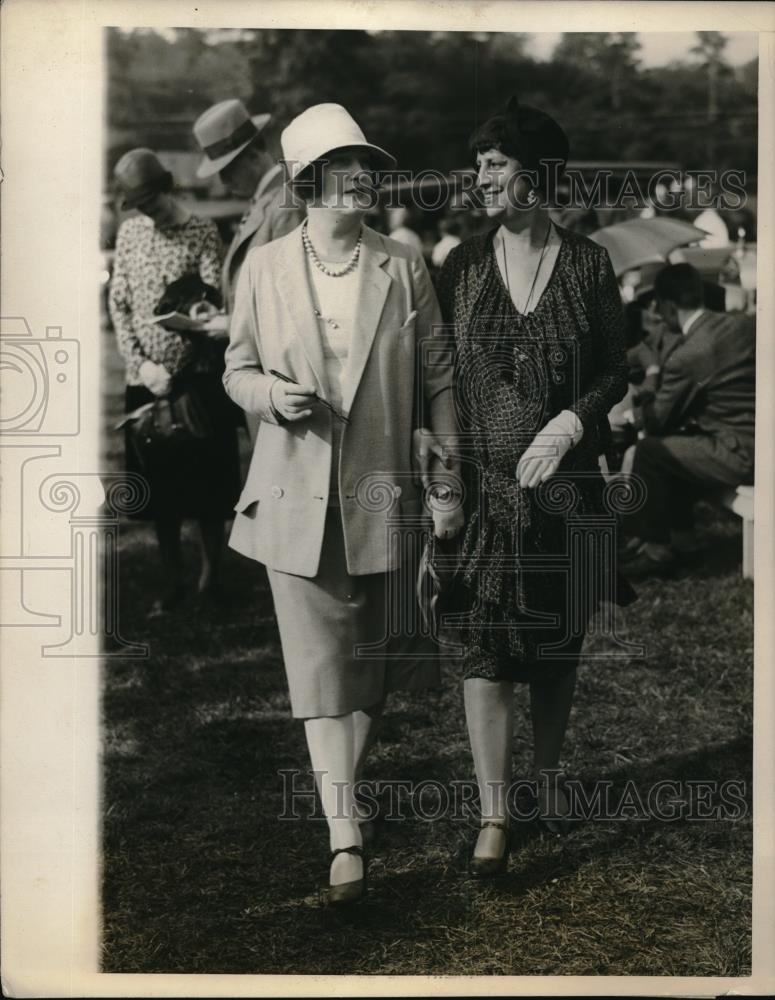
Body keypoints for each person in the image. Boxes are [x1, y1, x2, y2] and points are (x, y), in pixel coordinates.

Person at [223, 103, 461, 904]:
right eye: (345, 162)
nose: (363, 173)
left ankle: (341, 797)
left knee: (371, 672)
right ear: (308, 181)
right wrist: (268, 397)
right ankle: (344, 835)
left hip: (382, 492)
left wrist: (447, 478)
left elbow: (437, 376)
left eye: (366, 160)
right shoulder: (262, 268)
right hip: (292, 494)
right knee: (321, 672)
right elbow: (237, 367)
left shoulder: (402, 262)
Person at [430, 96, 636, 875]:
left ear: (537, 174)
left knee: (555, 649)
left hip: (566, 493)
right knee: (484, 655)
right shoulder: (462, 264)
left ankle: (545, 785)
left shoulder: (587, 263)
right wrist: (447, 476)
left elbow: (615, 365)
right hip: (488, 496)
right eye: (477, 162)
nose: (479, 176)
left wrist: (572, 424)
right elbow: (442, 376)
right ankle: (491, 816)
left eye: (496, 162)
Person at [108, 149, 240, 614]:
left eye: (151, 200)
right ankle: (172, 580)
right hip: (146, 381)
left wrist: (179, 368)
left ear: (167, 187)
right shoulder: (129, 234)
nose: (146, 210)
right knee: (159, 489)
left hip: (196, 379)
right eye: (137, 204)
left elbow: (209, 306)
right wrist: (142, 366)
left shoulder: (201, 231)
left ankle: (211, 579)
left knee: (208, 487)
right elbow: (119, 304)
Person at [620, 263, 755, 577]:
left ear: (667, 306)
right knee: (679, 447)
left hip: (741, 453)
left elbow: (656, 421)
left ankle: (656, 550)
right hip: (756, 440)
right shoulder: (735, 326)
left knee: (653, 452)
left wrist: (640, 401)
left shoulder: (690, 353)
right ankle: (684, 541)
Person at [193, 100, 306, 440]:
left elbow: (293, 297)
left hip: (282, 375)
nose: (224, 181)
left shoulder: (284, 204)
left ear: (255, 155)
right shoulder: (265, 203)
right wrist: (224, 313)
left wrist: (232, 324)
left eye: (228, 169)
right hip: (263, 372)